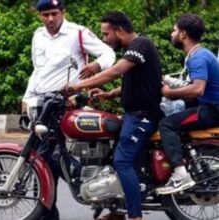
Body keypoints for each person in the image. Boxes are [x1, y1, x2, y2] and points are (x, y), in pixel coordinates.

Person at [22, 1, 115, 219]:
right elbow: (37, 71)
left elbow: (108, 54)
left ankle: (93, 191)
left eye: (54, 13)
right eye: (45, 14)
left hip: (66, 104)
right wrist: (27, 97)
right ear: (40, 16)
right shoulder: (38, 35)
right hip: (43, 105)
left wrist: (96, 66)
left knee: (47, 157)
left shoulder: (77, 33)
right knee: (44, 158)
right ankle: (54, 208)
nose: (50, 19)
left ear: (63, 13)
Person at [67, 11, 163, 220]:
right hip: (133, 115)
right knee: (112, 159)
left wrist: (77, 85)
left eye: (106, 34)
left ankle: (134, 216)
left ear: (119, 31)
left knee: (122, 162)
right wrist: (110, 94)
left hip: (143, 117)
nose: (104, 39)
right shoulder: (133, 49)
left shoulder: (142, 44)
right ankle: (117, 211)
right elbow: (139, 81)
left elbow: (115, 71)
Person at [156, 13, 219, 195]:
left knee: (167, 124)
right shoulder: (200, 53)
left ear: (183, 34)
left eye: (174, 30)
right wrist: (169, 82)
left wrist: (169, 93)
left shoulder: (198, 57)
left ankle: (180, 172)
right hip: (208, 105)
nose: (172, 33)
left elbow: (197, 89)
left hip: (213, 110)